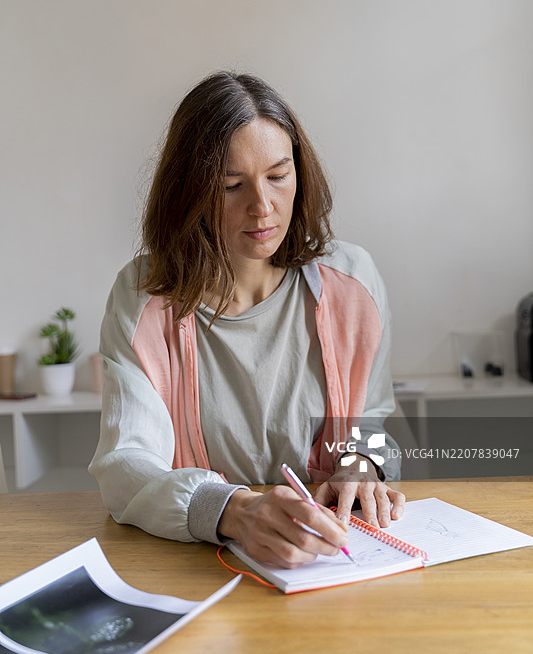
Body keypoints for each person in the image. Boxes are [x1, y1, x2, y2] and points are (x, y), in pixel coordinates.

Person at [89, 71, 405, 569]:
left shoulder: (352, 282)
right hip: (199, 569)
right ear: (187, 194)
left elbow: (372, 417)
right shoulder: (144, 299)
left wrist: (361, 464)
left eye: (278, 176)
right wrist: (233, 511)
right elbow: (126, 465)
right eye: (231, 186)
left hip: (332, 563)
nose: (263, 208)